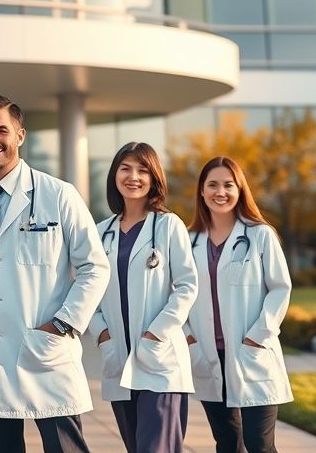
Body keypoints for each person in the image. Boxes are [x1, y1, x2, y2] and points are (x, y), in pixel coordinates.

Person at [0, 94, 109, 453]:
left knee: (64, 447)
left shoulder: (58, 195)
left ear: (20, 135)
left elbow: (94, 266)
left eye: (1, 130)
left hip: (43, 342)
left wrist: (64, 323)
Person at [91, 141, 198, 453]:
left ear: (154, 179)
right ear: (114, 175)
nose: (133, 176)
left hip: (159, 358)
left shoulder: (167, 225)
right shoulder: (101, 232)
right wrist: (103, 335)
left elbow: (187, 285)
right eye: (125, 168)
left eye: (142, 170)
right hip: (119, 358)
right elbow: (87, 289)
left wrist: (156, 333)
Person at [183, 156, 293, 453]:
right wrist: (189, 339)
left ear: (240, 189)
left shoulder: (259, 235)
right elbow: (175, 293)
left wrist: (258, 336)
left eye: (228, 185)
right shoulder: (187, 240)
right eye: (213, 185)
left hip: (251, 351)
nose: (221, 192)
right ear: (202, 192)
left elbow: (280, 288)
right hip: (208, 355)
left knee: (259, 444)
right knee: (227, 443)